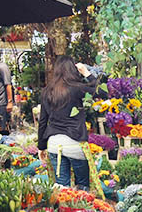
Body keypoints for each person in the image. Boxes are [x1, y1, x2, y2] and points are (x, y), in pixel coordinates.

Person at [37, 56, 105, 189]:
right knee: (82, 188)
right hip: (75, 143)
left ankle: (62, 210)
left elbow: (43, 121)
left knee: (62, 189)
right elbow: (101, 93)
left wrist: (41, 146)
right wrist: (87, 73)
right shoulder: (77, 88)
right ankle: (81, 210)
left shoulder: (47, 91)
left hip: (54, 144)